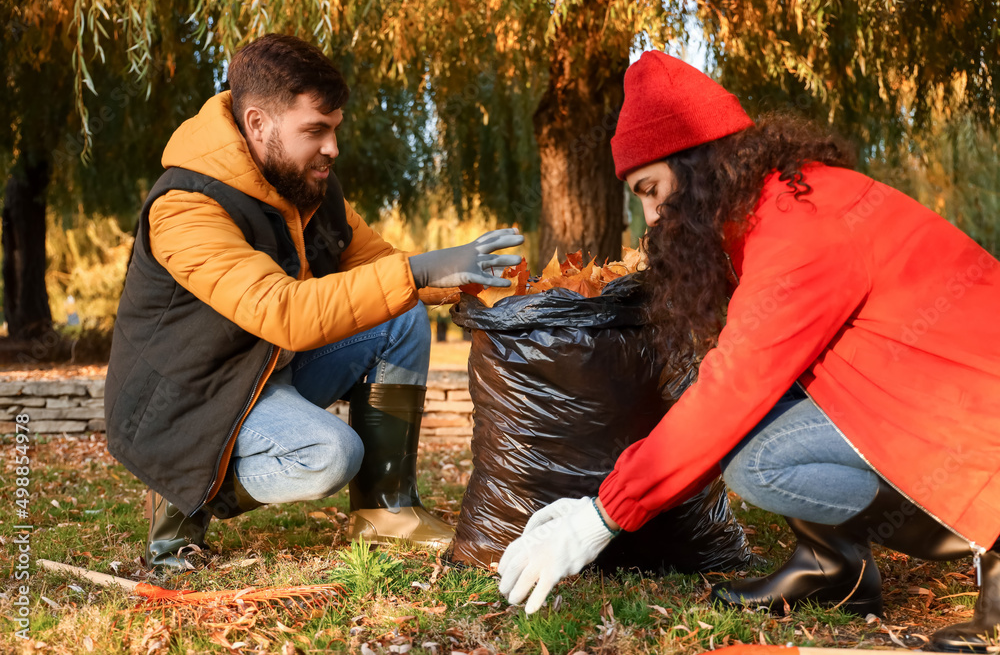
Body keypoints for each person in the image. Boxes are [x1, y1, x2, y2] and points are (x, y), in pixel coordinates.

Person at [498, 50, 1000, 653]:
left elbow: (733, 389)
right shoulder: (776, 205)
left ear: (698, 163)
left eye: (652, 190)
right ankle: (831, 569)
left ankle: (992, 538)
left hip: (977, 415)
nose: (652, 217)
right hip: (938, 397)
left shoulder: (800, 228)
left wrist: (599, 518)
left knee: (754, 454)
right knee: (757, 429)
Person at [104, 34, 523, 572]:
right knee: (331, 455)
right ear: (258, 123)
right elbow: (284, 311)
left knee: (402, 317)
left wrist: (477, 282)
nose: (332, 148)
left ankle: (386, 511)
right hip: (188, 401)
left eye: (334, 129)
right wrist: (418, 270)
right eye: (315, 131)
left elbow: (380, 268)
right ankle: (182, 496)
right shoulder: (186, 207)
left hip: (262, 368)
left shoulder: (305, 184)